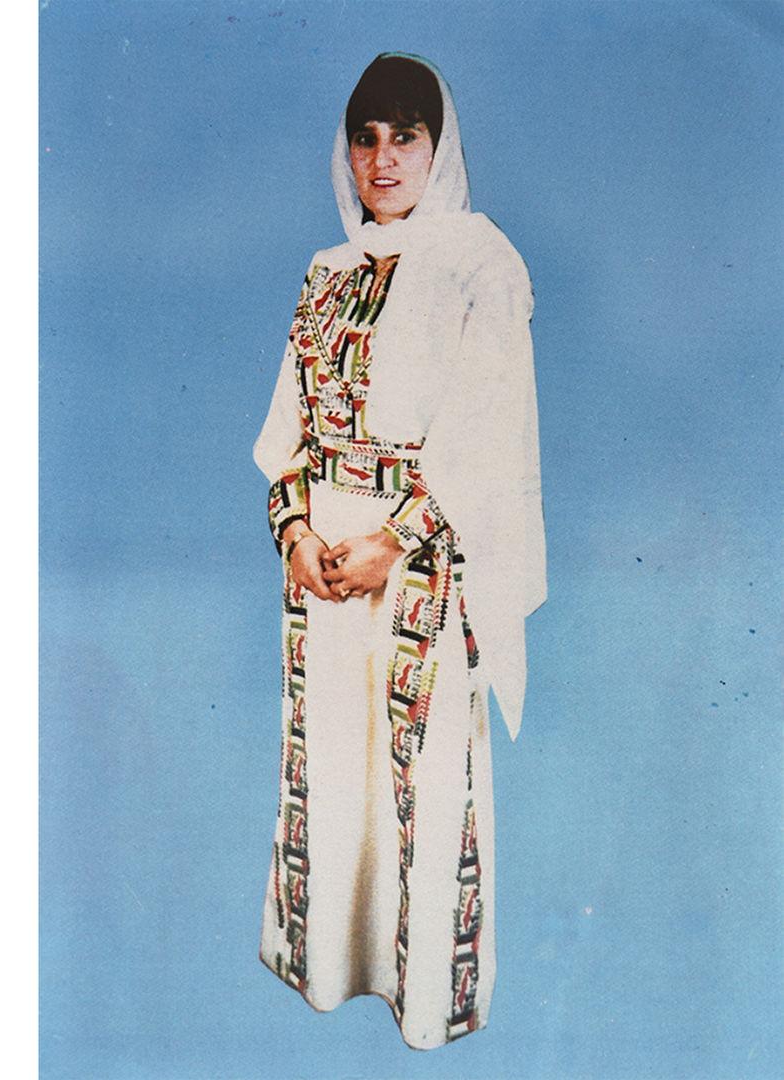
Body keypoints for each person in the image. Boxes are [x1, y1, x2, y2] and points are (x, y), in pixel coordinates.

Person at [253, 54, 545, 1049]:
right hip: (322, 565)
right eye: (365, 137)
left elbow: (487, 437)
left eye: (404, 136)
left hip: (417, 562)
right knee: (329, 768)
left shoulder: (479, 262)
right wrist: (293, 530)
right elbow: (285, 430)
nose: (382, 159)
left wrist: (393, 540)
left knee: (414, 771)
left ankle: (423, 995)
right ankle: (328, 965)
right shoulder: (325, 273)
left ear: (437, 144)